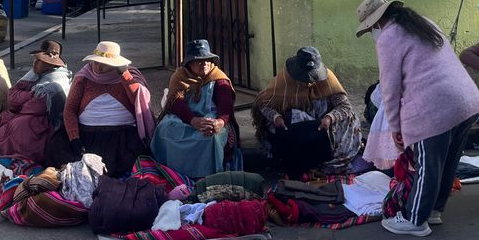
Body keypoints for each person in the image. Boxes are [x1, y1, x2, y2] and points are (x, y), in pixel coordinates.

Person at [356, 0, 479, 237]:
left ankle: (414, 219)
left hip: (434, 107)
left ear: (375, 23)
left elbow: (390, 88)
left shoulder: (388, 37)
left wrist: (395, 127)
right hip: (466, 101)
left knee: (428, 165)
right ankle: (434, 210)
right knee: (447, 161)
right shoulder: (424, 23)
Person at [252, 46, 362, 177]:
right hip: (296, 126)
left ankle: (328, 160)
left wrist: (329, 118)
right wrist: (276, 117)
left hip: (323, 125)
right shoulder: (284, 80)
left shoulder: (328, 80)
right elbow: (264, 104)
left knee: (349, 120)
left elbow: (345, 107)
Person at [151, 39, 242, 179]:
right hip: (187, 118)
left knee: (211, 138)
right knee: (165, 128)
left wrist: (220, 123)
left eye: (207, 60)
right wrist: (193, 120)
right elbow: (176, 102)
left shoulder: (219, 79)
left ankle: (208, 176)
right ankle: (170, 172)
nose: (204, 63)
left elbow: (225, 107)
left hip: (211, 118)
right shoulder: (180, 77)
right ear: (189, 63)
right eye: (199, 60)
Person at [63, 41, 155, 177]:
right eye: (96, 62)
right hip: (88, 136)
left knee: (129, 167)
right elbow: (70, 109)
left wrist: (124, 74)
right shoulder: (83, 77)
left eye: (104, 64)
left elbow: (139, 100)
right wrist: (74, 138)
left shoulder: (129, 77)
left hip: (122, 138)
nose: (99, 67)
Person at [0, 40, 73, 166]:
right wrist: (29, 96)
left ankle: (22, 162)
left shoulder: (55, 81)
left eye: (39, 61)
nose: (34, 63)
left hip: (47, 122)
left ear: (49, 64)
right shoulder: (34, 74)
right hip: (26, 114)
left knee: (21, 127)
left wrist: (21, 101)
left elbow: (36, 107)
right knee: (4, 120)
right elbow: (11, 96)